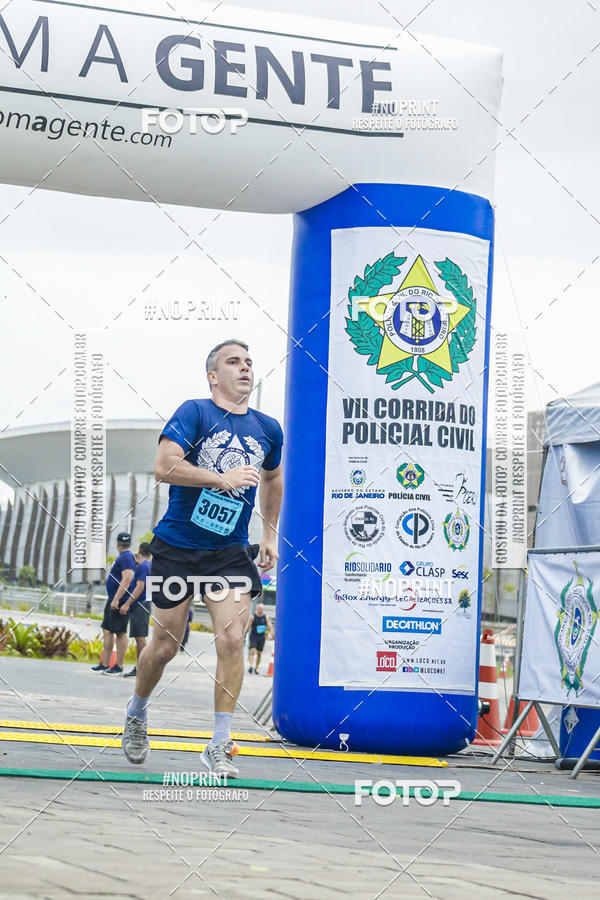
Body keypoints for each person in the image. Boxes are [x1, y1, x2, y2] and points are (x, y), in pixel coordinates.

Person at [121, 340, 283, 777]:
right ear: (213, 376)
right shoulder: (194, 413)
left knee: (232, 640)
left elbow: (272, 478)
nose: (245, 368)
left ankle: (219, 743)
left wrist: (268, 534)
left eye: (249, 362)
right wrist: (221, 478)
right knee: (165, 645)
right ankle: (136, 713)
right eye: (234, 362)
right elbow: (164, 465)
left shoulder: (268, 429)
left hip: (228, 553)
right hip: (177, 547)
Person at [91, 532, 135, 676]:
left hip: (119, 601)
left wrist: (117, 598)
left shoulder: (127, 556)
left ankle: (119, 666)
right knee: (107, 630)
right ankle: (105, 663)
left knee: (120, 632)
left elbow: (127, 579)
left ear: (117, 544)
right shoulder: (123, 557)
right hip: (112, 599)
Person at [120, 542, 152, 678]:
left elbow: (139, 587)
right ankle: (141, 668)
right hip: (145, 603)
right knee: (140, 637)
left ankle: (141, 668)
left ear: (139, 551)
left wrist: (127, 604)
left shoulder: (143, 567)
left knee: (140, 638)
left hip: (141, 604)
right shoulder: (148, 565)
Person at [244, 602, 273, 674]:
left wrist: (271, 633)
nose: (261, 610)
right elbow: (248, 626)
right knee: (252, 650)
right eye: (260, 609)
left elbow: (270, 626)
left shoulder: (265, 618)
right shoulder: (253, 617)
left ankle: (256, 668)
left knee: (259, 654)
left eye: (262, 609)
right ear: (257, 609)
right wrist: (244, 635)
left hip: (261, 637)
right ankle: (251, 666)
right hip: (253, 636)